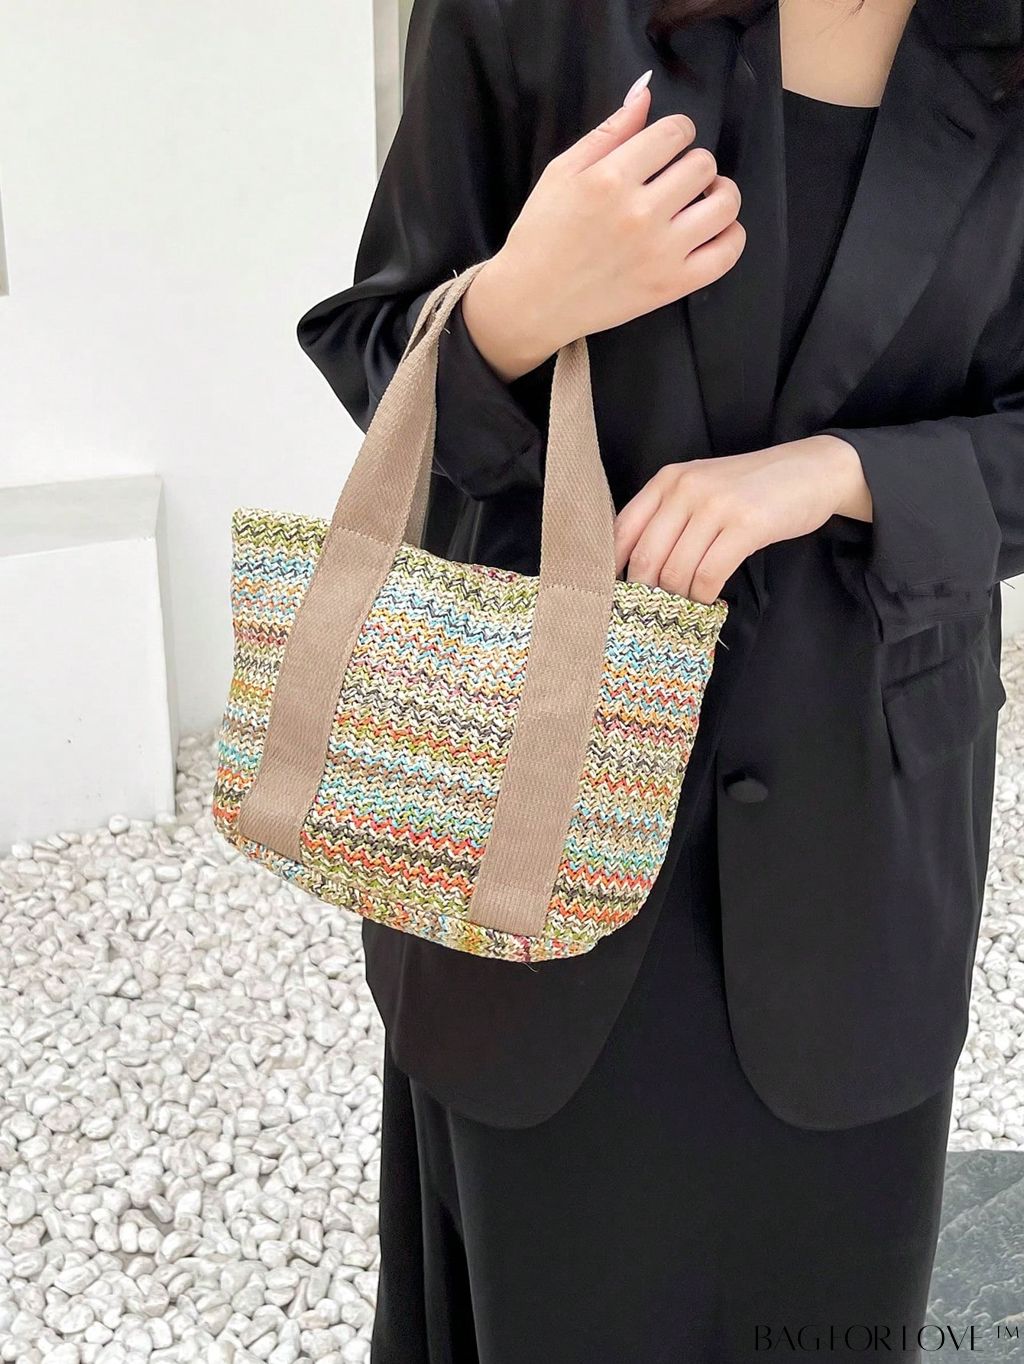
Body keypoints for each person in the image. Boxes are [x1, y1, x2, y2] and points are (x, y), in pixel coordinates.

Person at [295, 0, 1024, 1358]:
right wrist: (518, 306)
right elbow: (377, 348)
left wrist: (848, 474)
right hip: (529, 833)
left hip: (859, 871)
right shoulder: (531, 18)